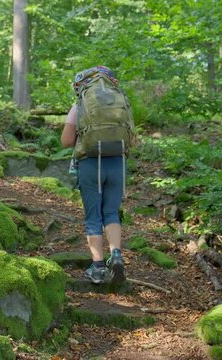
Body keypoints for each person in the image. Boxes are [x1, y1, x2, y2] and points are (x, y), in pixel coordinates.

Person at [61, 65, 133, 285]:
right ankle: (117, 255)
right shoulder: (121, 103)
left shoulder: (80, 105)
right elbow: (133, 139)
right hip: (117, 163)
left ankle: (99, 268)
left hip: (90, 163)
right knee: (111, 212)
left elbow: (65, 141)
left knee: (93, 217)